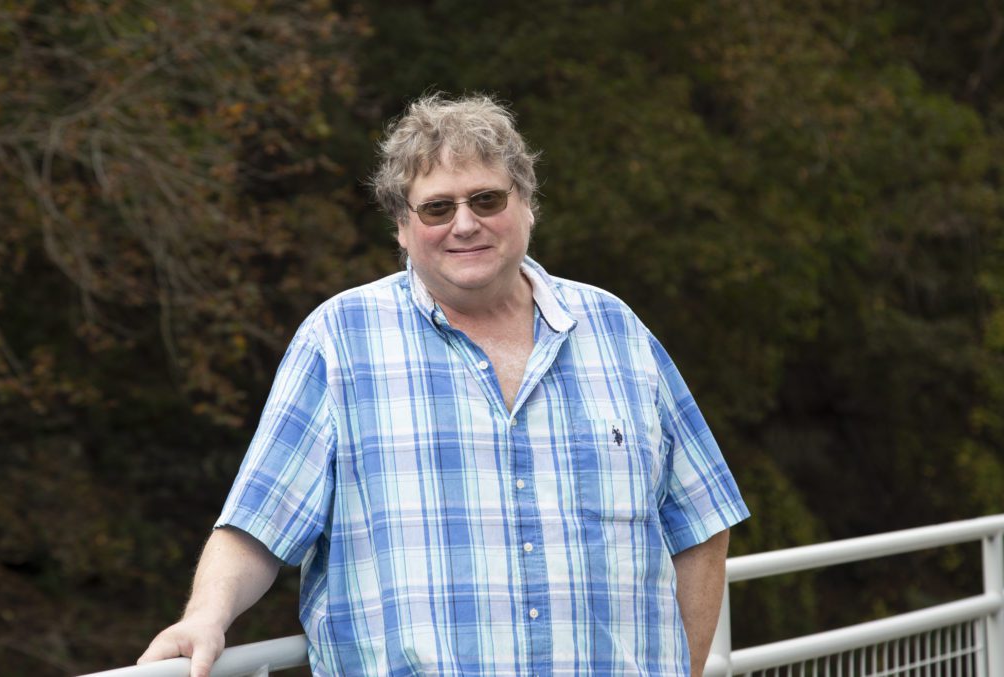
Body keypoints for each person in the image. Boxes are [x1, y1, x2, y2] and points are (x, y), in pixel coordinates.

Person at [138, 93, 749, 677]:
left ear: (527, 205)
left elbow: (701, 519)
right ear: (402, 228)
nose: (465, 224)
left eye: (486, 199)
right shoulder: (340, 340)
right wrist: (205, 617)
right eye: (436, 208)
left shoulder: (617, 331)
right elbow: (259, 526)